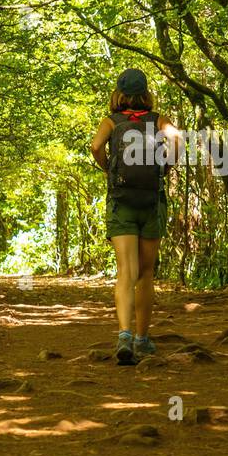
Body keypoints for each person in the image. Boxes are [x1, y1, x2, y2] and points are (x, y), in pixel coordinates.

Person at [90, 68, 181, 365]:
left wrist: (109, 169)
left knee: (125, 273)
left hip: (121, 201)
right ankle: (143, 339)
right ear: (145, 94)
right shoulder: (158, 120)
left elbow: (95, 146)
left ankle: (124, 335)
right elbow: (177, 140)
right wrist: (166, 168)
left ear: (119, 94)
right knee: (145, 274)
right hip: (151, 201)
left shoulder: (111, 122)